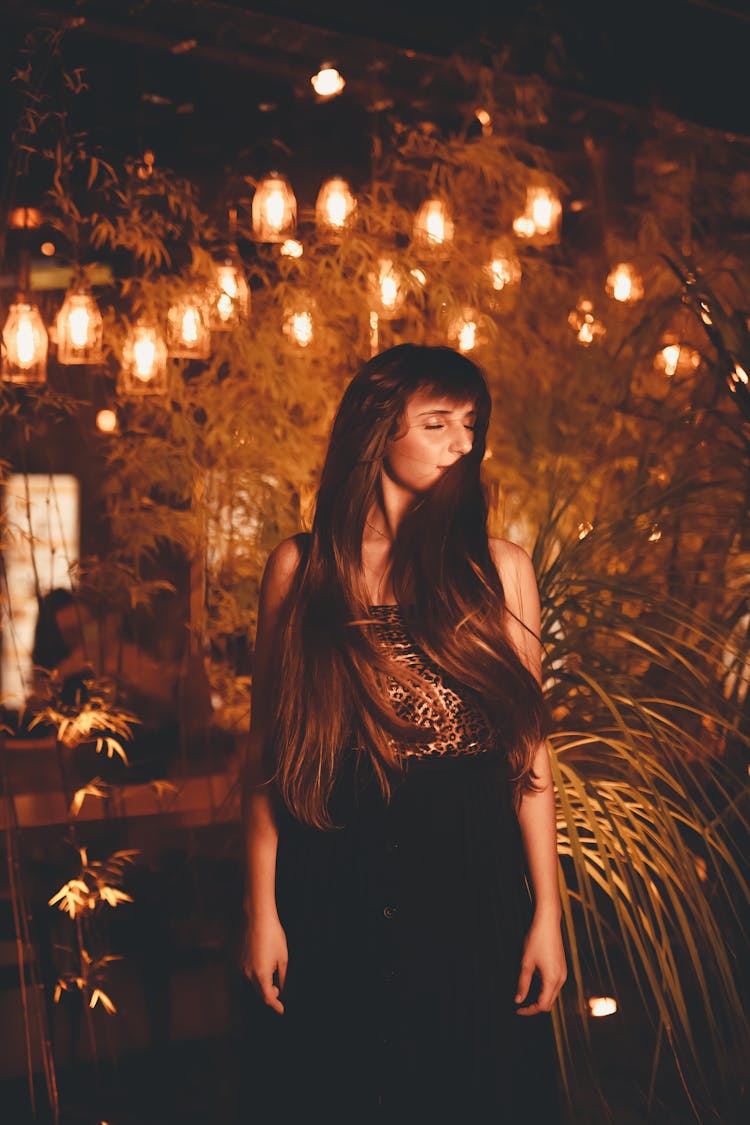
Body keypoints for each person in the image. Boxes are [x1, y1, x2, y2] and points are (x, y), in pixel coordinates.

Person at [240, 344, 567, 1123]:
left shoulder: (499, 568)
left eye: (471, 424)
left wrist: (548, 912)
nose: (464, 442)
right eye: (438, 422)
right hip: (335, 871)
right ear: (381, 430)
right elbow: (266, 755)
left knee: (473, 1091)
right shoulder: (303, 567)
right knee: (341, 1088)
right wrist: (261, 909)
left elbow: (529, 757)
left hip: (466, 878)